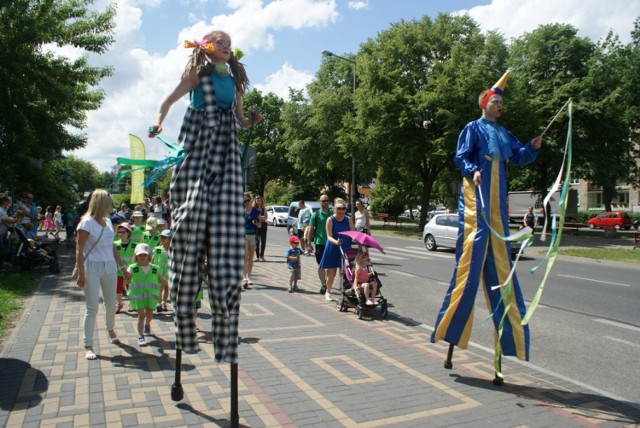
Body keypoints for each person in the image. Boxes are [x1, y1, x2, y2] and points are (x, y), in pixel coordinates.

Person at [148, 29, 262, 362]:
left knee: (227, 226)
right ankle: (185, 308)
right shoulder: (197, 73)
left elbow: (239, 121)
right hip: (198, 145)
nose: (227, 47)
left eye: (230, 43)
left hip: (225, 151)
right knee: (193, 210)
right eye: (220, 43)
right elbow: (168, 100)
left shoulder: (235, 80)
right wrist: (158, 122)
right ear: (208, 46)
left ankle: (225, 328)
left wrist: (249, 120)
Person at [430, 70, 542, 363]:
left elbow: (518, 155)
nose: (499, 106)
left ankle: (510, 344)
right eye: (495, 102)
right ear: (484, 104)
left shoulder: (504, 133)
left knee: (501, 270)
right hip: (476, 201)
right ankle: (450, 332)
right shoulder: (473, 128)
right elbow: (461, 157)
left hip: (498, 208)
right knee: (468, 269)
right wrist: (472, 170)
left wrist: (531, 147)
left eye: (501, 103)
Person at [76, 189, 131, 360]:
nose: (111, 205)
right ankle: (88, 344)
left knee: (110, 303)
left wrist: (122, 267)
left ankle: (110, 329)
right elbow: (79, 249)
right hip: (91, 267)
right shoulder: (86, 223)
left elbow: (111, 246)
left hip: (109, 266)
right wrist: (81, 272)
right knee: (92, 307)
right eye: (108, 201)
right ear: (100, 202)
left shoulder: (108, 221)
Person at [127, 243, 168, 346]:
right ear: (136, 256)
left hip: (151, 297)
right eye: (140, 255)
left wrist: (167, 288)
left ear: (149, 255)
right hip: (138, 296)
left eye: (144, 255)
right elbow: (126, 280)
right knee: (141, 315)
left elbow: (162, 280)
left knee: (148, 315)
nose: (142, 257)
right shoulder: (132, 268)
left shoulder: (155, 268)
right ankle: (141, 336)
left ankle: (147, 324)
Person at [319, 198, 353, 301]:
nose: (340, 215)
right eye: (338, 213)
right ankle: (328, 292)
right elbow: (329, 236)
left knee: (345, 271)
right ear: (334, 211)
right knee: (332, 272)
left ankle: (343, 289)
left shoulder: (348, 219)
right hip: (333, 247)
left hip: (345, 246)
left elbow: (353, 232)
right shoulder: (330, 219)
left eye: (342, 213)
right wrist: (336, 242)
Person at [308, 194, 332, 295]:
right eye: (323, 201)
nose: (325, 202)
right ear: (320, 202)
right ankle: (323, 284)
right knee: (321, 265)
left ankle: (327, 282)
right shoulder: (316, 215)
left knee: (330, 266)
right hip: (319, 243)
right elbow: (311, 230)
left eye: (327, 200)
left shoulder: (332, 214)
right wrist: (308, 243)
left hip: (331, 243)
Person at [114, 222, 137, 313]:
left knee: (131, 288)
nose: (120, 234)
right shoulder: (114, 244)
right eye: (119, 232)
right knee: (118, 289)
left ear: (128, 233)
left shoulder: (135, 245)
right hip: (118, 271)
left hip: (130, 272)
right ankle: (119, 303)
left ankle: (132, 304)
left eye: (122, 232)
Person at [242, 192, 261, 288]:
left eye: (247, 200)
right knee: (245, 256)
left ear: (250, 200)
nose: (245, 202)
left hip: (253, 235)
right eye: (243, 200)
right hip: (243, 235)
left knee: (250, 257)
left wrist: (256, 223)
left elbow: (259, 224)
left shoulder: (255, 211)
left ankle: (248, 277)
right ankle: (244, 278)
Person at [152, 229, 172, 312]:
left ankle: (164, 302)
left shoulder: (172, 250)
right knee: (159, 288)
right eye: (161, 237)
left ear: (170, 239)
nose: (162, 239)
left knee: (166, 288)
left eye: (165, 237)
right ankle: (159, 304)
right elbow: (152, 260)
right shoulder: (157, 249)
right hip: (159, 272)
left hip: (168, 272)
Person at [253, 195, 268, 262]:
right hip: (256, 226)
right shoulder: (253, 208)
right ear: (255, 201)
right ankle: (257, 256)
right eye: (256, 200)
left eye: (259, 200)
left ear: (261, 201)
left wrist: (258, 216)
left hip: (263, 227)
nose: (258, 201)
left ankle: (262, 256)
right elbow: (252, 216)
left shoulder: (264, 209)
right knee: (257, 242)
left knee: (263, 241)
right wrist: (260, 217)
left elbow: (265, 217)